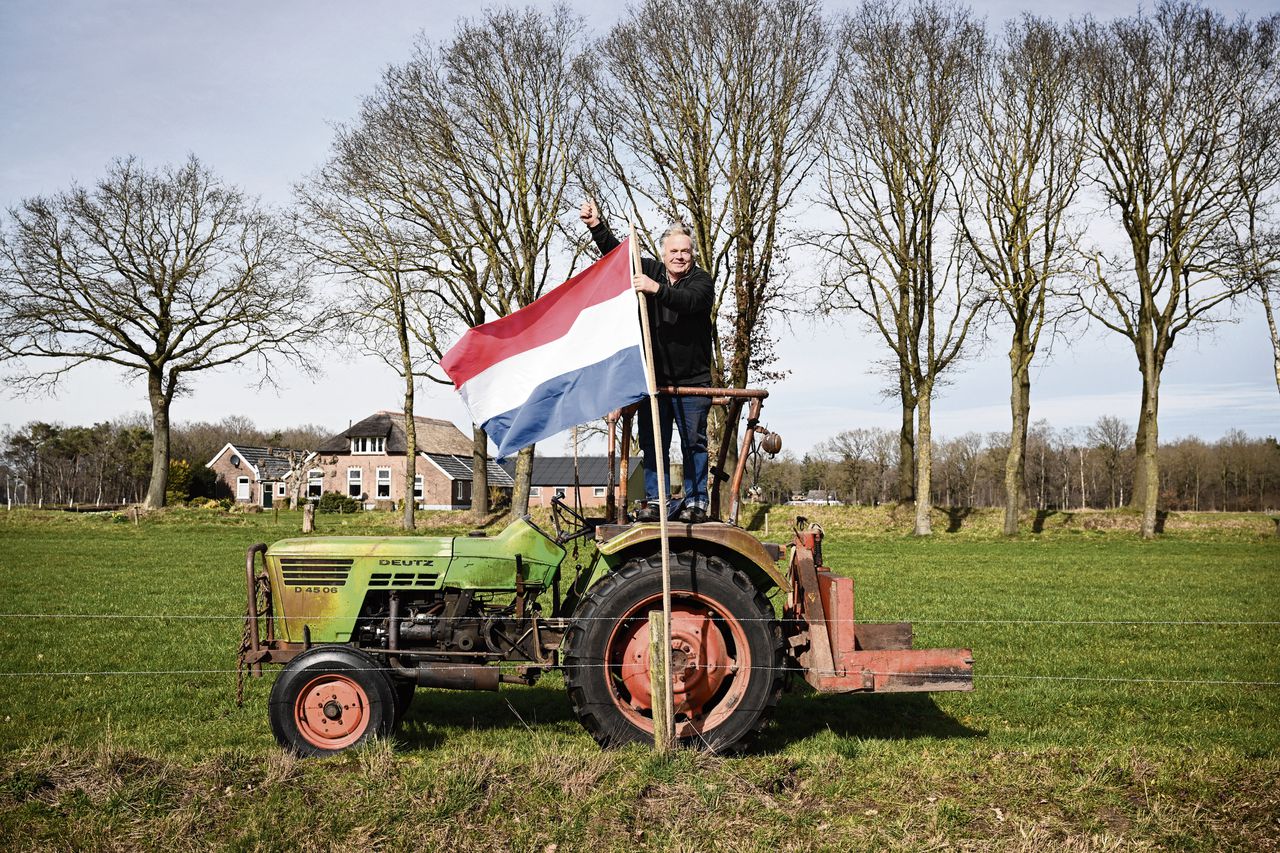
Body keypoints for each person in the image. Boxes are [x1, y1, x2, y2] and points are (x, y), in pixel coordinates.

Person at [580, 199, 714, 523]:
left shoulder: (701, 282)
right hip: (654, 380)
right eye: (673, 251)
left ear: (692, 254)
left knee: (693, 443)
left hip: (692, 383)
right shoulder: (650, 270)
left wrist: (656, 290)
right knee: (654, 443)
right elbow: (618, 257)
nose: (679, 256)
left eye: (685, 251)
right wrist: (598, 227)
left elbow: (689, 302)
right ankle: (657, 500)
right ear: (664, 253)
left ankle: (696, 501)